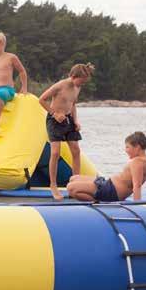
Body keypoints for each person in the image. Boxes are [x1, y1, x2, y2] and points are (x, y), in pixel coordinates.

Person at [39, 63, 95, 200]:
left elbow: (73, 104)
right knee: (55, 152)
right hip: (54, 120)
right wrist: (54, 113)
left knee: (76, 151)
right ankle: (53, 185)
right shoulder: (60, 86)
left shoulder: (78, 87)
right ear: (73, 76)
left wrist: (75, 120)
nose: (82, 84)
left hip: (69, 120)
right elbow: (41, 99)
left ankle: (75, 184)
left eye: (84, 82)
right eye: (81, 80)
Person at [67, 132, 146, 202]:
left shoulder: (137, 162)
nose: (125, 150)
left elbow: (137, 186)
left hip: (111, 192)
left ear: (137, 147)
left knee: (71, 188)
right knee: (73, 178)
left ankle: (98, 202)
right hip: (108, 184)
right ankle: (96, 196)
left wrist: (136, 207)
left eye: (128, 147)